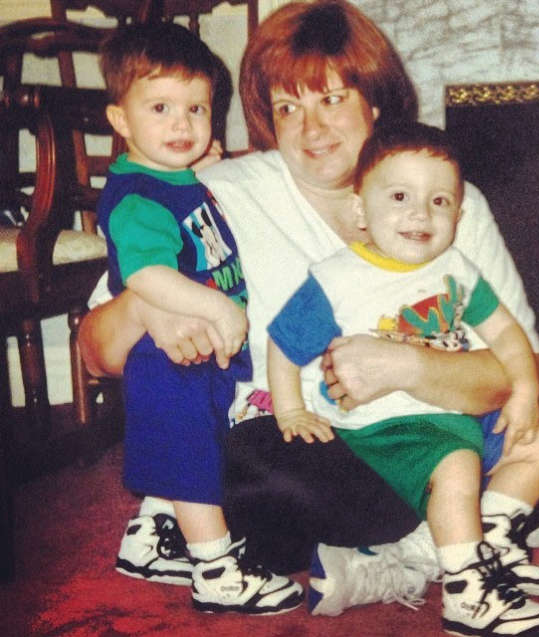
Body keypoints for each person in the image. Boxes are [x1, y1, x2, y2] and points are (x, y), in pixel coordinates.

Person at [81, 0, 539, 615]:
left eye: (332, 99)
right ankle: (485, 524)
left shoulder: (447, 197)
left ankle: (415, 550)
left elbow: (516, 366)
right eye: (288, 108)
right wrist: (144, 307)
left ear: (375, 102)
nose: (311, 129)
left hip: (438, 434)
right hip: (316, 447)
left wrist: (408, 367)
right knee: (251, 472)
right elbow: (96, 354)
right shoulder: (217, 193)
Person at [267, 121, 539, 635]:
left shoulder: (456, 269)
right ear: (361, 210)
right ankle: (467, 595)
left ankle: (491, 544)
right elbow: (284, 343)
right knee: (456, 463)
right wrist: (290, 409)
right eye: (400, 196)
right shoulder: (338, 278)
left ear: (458, 215)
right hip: (388, 428)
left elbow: (506, 333)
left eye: (439, 201)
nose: (420, 214)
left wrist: (525, 390)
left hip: (455, 414)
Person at [96, 22, 302, 615]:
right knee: (191, 456)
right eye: (159, 108)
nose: (181, 124)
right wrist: (216, 306)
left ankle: (149, 539)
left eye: (196, 109)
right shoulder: (139, 198)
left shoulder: (171, 178)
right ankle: (215, 570)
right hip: (171, 355)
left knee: (196, 443)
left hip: (195, 352)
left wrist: (202, 165)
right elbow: (143, 273)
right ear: (120, 120)